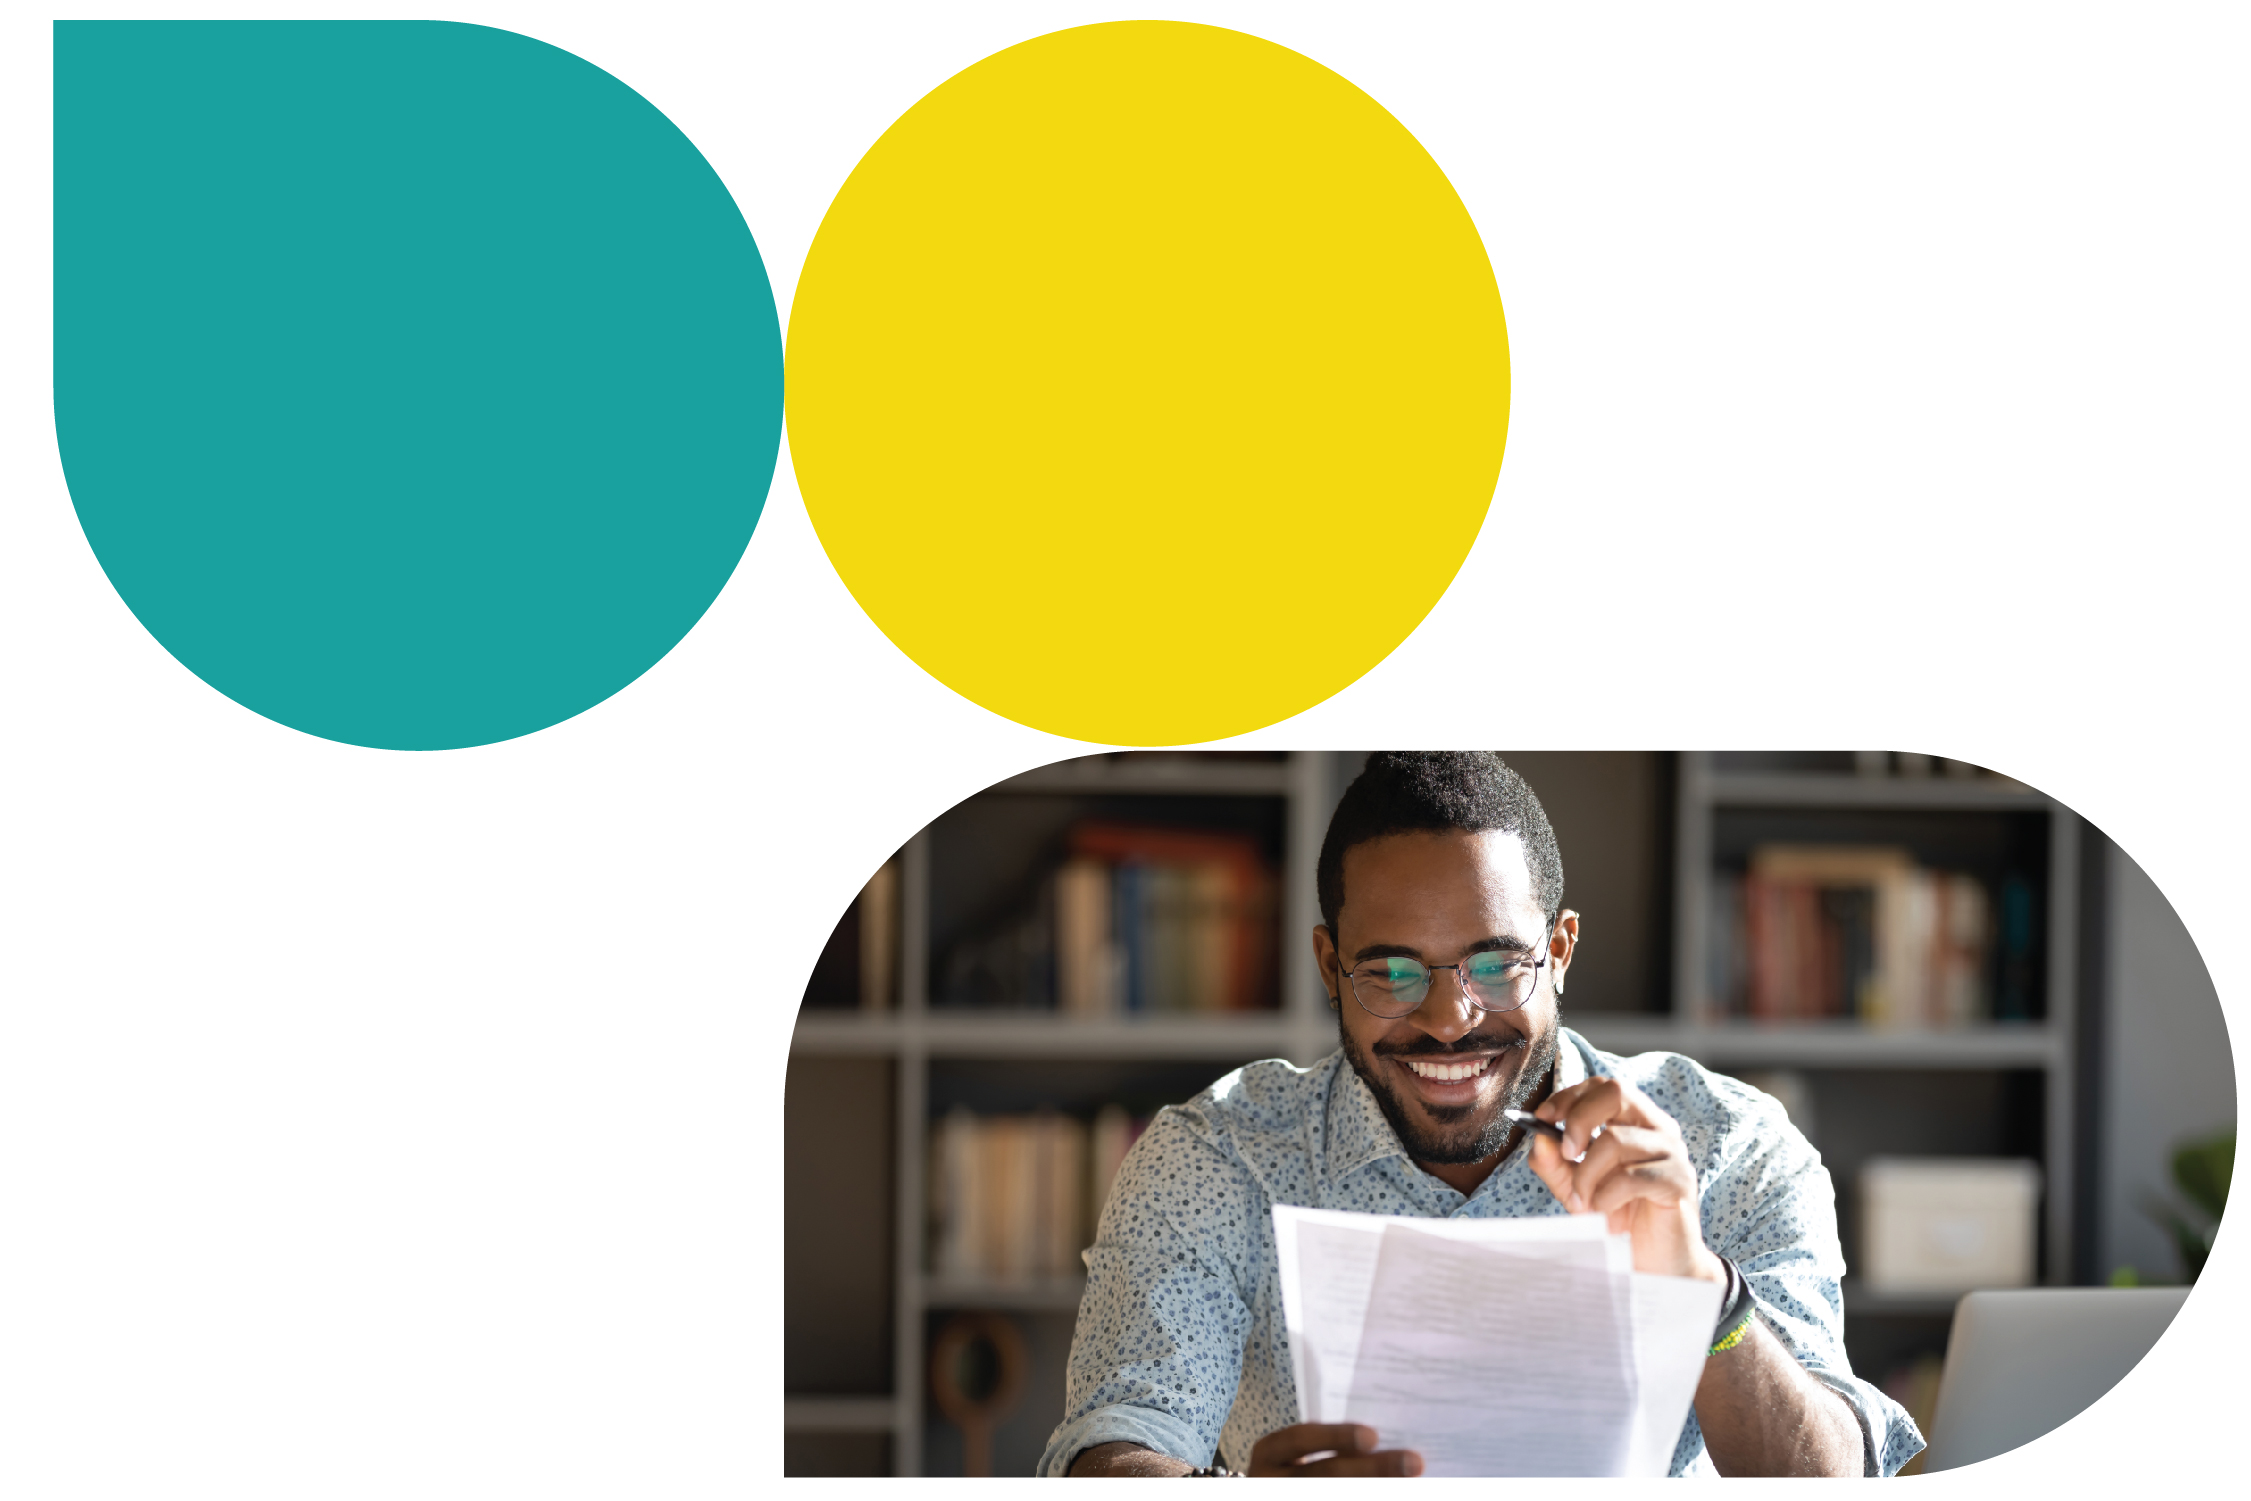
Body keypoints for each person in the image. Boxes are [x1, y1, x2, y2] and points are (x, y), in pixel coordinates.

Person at [1037, 752, 1924, 1477]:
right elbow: (1117, 1438)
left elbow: (1832, 1477)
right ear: (1326, 964)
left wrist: (1697, 1286)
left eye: (1495, 965)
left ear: (1560, 950)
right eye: (1388, 971)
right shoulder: (1218, 1158)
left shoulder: (1730, 1146)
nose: (1447, 1018)